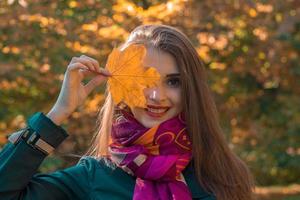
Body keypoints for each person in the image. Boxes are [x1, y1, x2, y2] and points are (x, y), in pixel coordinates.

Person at [0, 24, 255, 200]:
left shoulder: (224, 174)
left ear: (191, 89)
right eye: (145, 80)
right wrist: (59, 111)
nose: (156, 95)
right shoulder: (95, 176)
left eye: (173, 81)